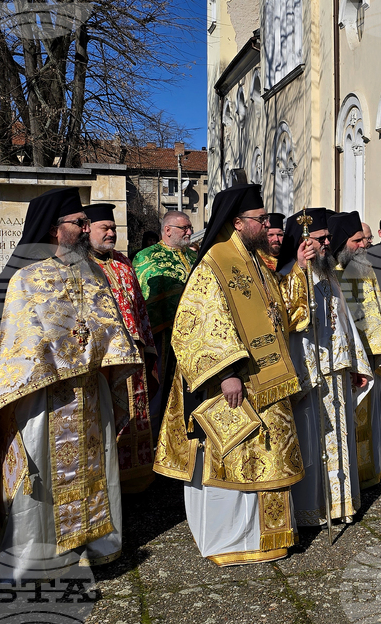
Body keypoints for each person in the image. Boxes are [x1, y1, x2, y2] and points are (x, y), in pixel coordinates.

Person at [0, 187, 140, 572]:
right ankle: (38, 558)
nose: (85, 228)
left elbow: (106, 328)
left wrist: (109, 359)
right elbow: (12, 345)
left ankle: (94, 546)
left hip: (89, 393)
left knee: (97, 466)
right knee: (39, 480)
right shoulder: (25, 279)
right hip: (41, 397)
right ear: (56, 229)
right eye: (79, 223)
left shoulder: (91, 274)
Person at [153, 185, 314, 565]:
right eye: (261, 220)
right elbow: (195, 324)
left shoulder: (256, 261)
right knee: (239, 456)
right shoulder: (215, 263)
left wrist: (300, 274)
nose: (267, 225)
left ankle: (269, 536)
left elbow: (280, 316)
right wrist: (225, 372)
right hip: (236, 383)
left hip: (269, 379)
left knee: (270, 455)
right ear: (238, 223)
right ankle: (233, 539)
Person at [278, 208, 373, 526]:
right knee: (312, 442)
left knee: (340, 440)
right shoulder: (288, 276)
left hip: (338, 370)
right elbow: (290, 327)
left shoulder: (330, 271)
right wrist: (300, 272)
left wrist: (356, 363)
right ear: (304, 241)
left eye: (329, 237)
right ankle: (312, 510)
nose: (329, 242)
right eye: (322, 238)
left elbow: (344, 322)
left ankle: (341, 504)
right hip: (311, 375)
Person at [86, 203, 158, 493]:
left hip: (135, 356)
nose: (111, 233)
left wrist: (149, 348)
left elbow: (139, 308)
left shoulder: (124, 263)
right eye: (105, 228)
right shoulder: (80, 265)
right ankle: (108, 485)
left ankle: (136, 482)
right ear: (87, 229)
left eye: (113, 228)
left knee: (137, 416)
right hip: (104, 362)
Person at [331, 211, 381, 489]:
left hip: (371, 354)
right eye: (357, 240)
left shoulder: (364, 269)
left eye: (364, 240)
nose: (363, 245)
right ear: (341, 243)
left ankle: (370, 473)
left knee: (370, 422)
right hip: (349, 361)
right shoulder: (333, 276)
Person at [133, 210, 196, 427]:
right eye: (184, 228)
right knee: (161, 390)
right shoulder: (146, 257)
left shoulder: (194, 257)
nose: (189, 232)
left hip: (193, 336)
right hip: (162, 336)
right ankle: (157, 434)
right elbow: (143, 299)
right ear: (167, 230)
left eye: (190, 228)